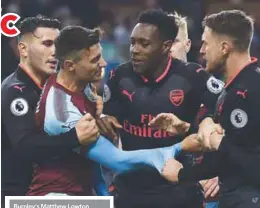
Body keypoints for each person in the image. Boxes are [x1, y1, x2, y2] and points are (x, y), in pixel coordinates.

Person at [27, 25, 204, 197]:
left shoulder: (79, 84)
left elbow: (92, 158)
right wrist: (178, 147)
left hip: (81, 194)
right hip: (56, 199)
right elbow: (118, 161)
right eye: (95, 60)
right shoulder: (62, 114)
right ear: (70, 65)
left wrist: (104, 197)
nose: (103, 63)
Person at [101, 9, 224, 208]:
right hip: (132, 192)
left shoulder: (193, 77)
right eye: (132, 43)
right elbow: (110, 128)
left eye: (144, 44)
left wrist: (215, 169)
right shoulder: (119, 76)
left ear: (166, 46)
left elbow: (227, 119)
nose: (134, 50)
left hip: (179, 189)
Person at [155, 10, 260, 208]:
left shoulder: (251, 90)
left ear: (224, 47)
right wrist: (192, 128)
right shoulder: (232, 88)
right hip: (233, 204)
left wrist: (184, 173)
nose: (201, 51)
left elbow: (248, 161)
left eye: (205, 44)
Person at [1, 15, 100, 208]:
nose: (55, 52)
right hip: (25, 204)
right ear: (23, 49)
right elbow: (25, 145)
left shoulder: (54, 89)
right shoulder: (15, 92)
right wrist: (74, 138)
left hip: (63, 194)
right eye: (46, 44)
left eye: (58, 44)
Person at [168, 12, 219, 208]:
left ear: (188, 44)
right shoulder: (144, 91)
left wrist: (220, 175)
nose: (168, 48)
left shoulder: (213, 88)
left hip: (209, 193)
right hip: (161, 190)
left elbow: (244, 138)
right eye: (164, 42)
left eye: (175, 41)